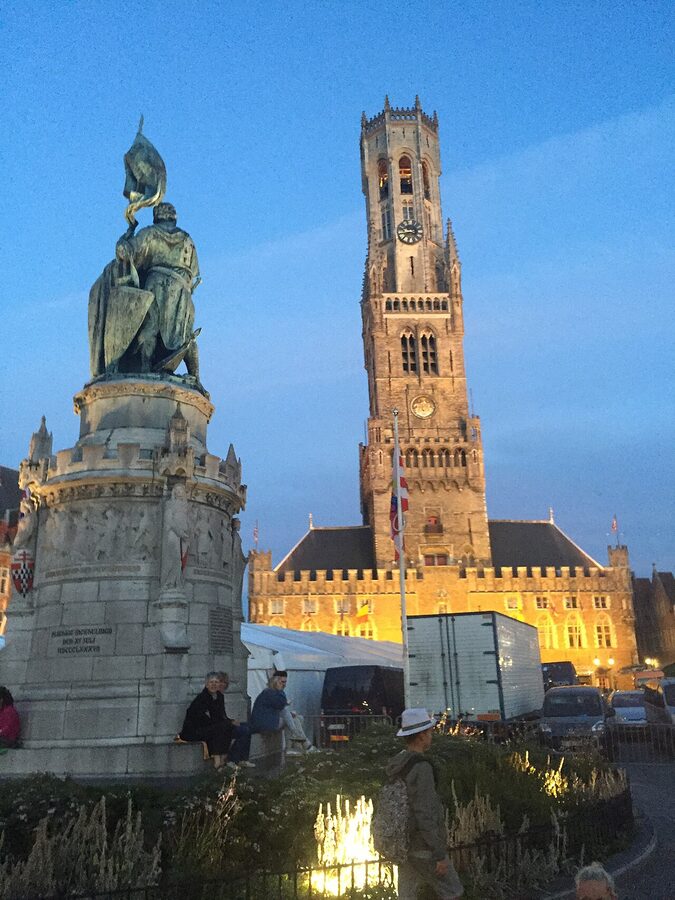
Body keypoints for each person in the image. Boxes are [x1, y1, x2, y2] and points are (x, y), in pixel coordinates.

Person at [387, 708, 463, 899]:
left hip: (404, 843)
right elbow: (425, 812)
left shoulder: (399, 763)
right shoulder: (422, 767)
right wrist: (439, 854)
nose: (431, 736)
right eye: (429, 732)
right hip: (423, 846)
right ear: (421, 736)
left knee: (406, 896)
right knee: (453, 891)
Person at [180, 671, 253, 769]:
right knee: (226, 728)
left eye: (216, 682)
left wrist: (230, 721)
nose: (214, 685)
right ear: (206, 684)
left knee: (246, 727)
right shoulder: (202, 698)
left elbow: (221, 716)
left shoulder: (219, 696)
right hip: (197, 730)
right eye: (211, 682)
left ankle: (243, 759)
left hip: (215, 726)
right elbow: (203, 719)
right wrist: (228, 722)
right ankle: (229, 760)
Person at [250, 671, 317, 755]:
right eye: (282, 682)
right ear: (275, 681)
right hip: (264, 724)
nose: (284, 684)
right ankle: (302, 743)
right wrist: (283, 697)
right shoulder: (269, 692)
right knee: (289, 716)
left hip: (269, 721)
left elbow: (277, 707)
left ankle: (297, 744)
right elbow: (281, 704)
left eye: (285, 682)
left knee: (297, 718)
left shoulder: (271, 692)